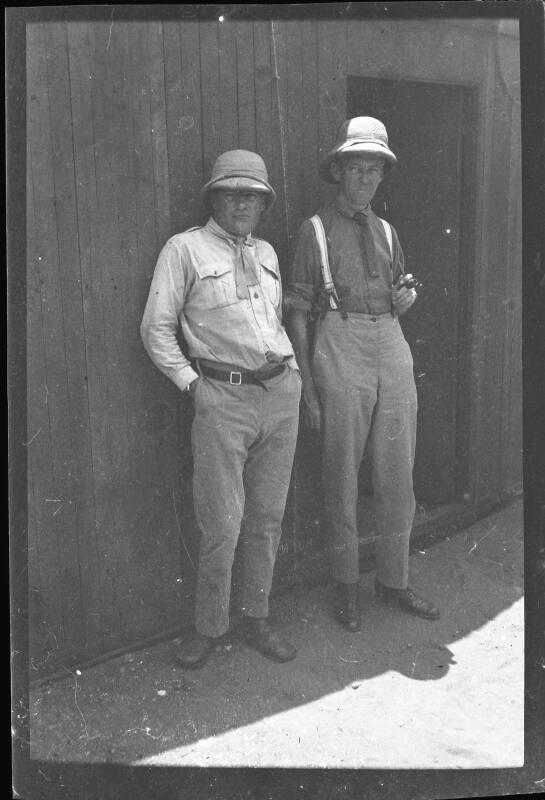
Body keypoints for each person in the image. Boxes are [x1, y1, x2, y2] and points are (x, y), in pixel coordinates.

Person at [141, 150, 301, 668]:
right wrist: (193, 385)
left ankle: (256, 617)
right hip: (221, 398)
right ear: (214, 196)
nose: (242, 202)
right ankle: (209, 627)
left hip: (279, 393)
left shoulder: (270, 253)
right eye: (232, 192)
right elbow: (156, 329)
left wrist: (293, 373)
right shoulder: (184, 249)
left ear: (263, 203)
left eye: (252, 195)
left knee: (267, 516)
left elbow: (272, 323)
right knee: (222, 522)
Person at [285, 117, 440, 632]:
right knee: (343, 472)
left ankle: (394, 581)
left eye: (374, 171)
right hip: (339, 341)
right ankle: (346, 585)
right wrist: (307, 384)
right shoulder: (314, 230)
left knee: (399, 471)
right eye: (356, 169)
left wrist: (406, 298)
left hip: (390, 343)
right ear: (339, 172)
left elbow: (400, 290)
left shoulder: (388, 231)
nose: (365, 181)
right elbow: (299, 311)